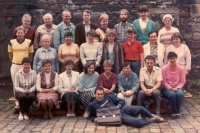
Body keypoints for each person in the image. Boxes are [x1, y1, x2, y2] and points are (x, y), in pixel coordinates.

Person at [88, 87, 166, 128]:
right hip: (117, 116)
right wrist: (94, 119)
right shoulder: (92, 105)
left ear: (103, 94)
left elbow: (121, 101)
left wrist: (119, 106)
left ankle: (153, 116)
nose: (100, 96)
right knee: (137, 123)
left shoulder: (108, 97)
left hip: (122, 109)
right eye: (98, 94)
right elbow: (91, 116)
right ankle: (149, 120)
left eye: (101, 94)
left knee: (140, 108)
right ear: (95, 94)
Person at [8, 27, 34, 111]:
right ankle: (17, 104)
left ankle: (28, 103)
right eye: (18, 33)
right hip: (15, 65)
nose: (20, 34)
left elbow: (31, 54)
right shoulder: (11, 42)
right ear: (16, 34)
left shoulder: (29, 42)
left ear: (24, 33)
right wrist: (15, 62)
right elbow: (10, 54)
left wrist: (27, 64)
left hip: (26, 66)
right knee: (16, 84)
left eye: (21, 33)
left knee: (28, 83)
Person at [162, 52, 186, 119]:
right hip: (167, 88)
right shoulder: (164, 69)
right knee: (172, 95)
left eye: (173, 58)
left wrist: (177, 88)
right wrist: (170, 88)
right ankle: (174, 111)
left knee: (180, 94)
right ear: (168, 59)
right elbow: (163, 81)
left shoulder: (181, 69)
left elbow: (182, 81)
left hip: (178, 87)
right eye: (170, 58)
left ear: (176, 58)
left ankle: (178, 111)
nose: (172, 60)